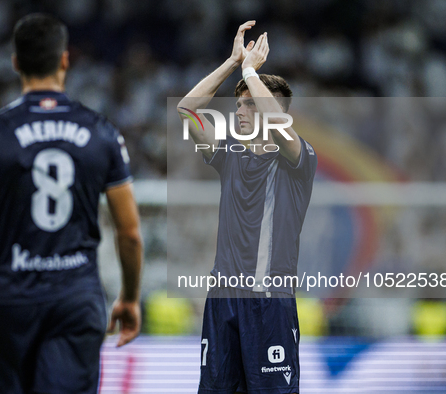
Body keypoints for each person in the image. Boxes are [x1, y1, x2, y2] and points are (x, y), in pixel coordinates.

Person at [0, 13, 143, 394]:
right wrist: (130, 298)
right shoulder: (102, 132)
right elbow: (130, 233)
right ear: (65, 60)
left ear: (15, 63)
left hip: (13, 301)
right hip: (77, 298)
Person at [177, 21, 317, 393]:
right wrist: (233, 62)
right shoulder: (229, 154)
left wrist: (252, 72)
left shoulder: (298, 158)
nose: (239, 111)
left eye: (249, 104)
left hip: (269, 302)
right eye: (238, 104)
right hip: (223, 300)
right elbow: (187, 111)